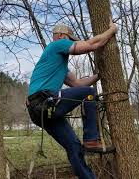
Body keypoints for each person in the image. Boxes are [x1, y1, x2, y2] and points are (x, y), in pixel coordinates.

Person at [26, 19, 117, 179]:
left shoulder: (57, 62)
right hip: (44, 102)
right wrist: (112, 30)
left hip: (40, 112)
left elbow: (77, 83)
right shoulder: (56, 45)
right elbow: (90, 45)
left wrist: (99, 76)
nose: (70, 43)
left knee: (74, 147)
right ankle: (91, 139)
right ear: (61, 36)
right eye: (70, 39)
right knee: (88, 93)